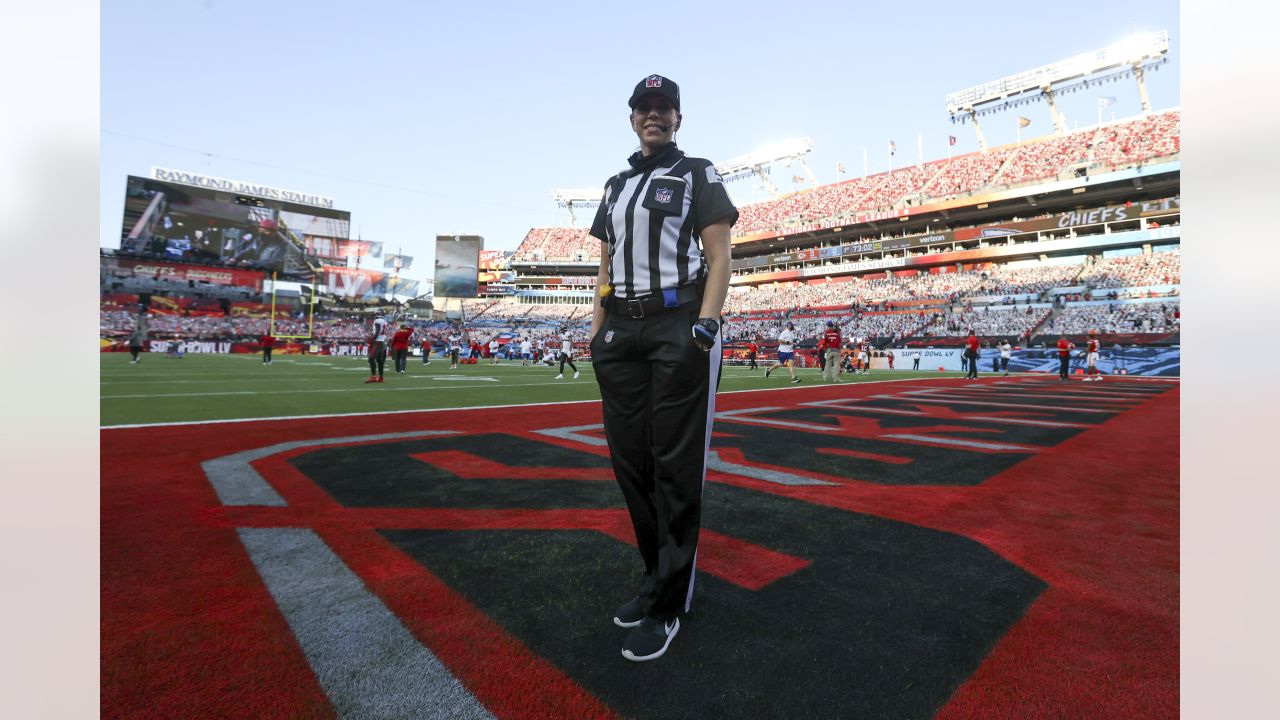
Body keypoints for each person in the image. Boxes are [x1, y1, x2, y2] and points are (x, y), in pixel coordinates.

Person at [587, 74, 737, 662]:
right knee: (632, 464)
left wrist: (706, 322)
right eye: (645, 108)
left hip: (677, 323)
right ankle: (654, 578)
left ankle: (669, 604)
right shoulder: (615, 185)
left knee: (674, 467)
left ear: (678, 118)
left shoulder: (697, 171)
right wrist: (596, 329)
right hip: (621, 329)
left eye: (664, 108)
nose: (655, 116)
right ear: (632, 119)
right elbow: (604, 261)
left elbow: (720, 251)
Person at [365, 311, 389, 383]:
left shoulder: (377, 321)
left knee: (371, 358)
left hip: (377, 341)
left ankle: (374, 376)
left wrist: (372, 339)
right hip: (382, 341)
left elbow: (377, 331)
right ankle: (381, 377)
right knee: (380, 360)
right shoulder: (385, 321)